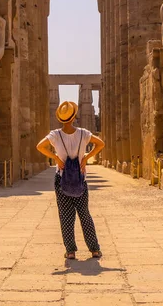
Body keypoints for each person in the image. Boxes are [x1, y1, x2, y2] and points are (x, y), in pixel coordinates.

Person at [36, 101, 105, 260]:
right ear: (74, 116)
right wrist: (86, 158)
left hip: (62, 178)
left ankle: (71, 251)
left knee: (66, 215)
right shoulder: (83, 133)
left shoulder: (55, 135)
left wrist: (56, 158)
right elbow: (101, 144)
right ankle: (94, 249)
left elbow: (40, 146)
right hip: (80, 178)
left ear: (61, 118)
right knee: (84, 214)